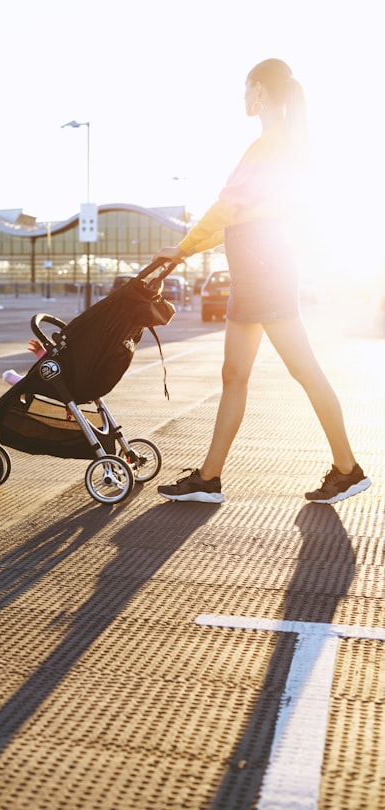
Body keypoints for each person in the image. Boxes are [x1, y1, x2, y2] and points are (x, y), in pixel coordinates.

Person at [155, 58, 371, 506]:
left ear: (258, 90)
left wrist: (183, 248)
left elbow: (228, 208)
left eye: (245, 89)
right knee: (234, 374)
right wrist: (190, 247)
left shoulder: (272, 146)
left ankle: (348, 470)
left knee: (304, 369)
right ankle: (209, 478)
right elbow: (233, 218)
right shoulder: (272, 144)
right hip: (254, 271)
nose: (243, 98)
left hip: (266, 270)